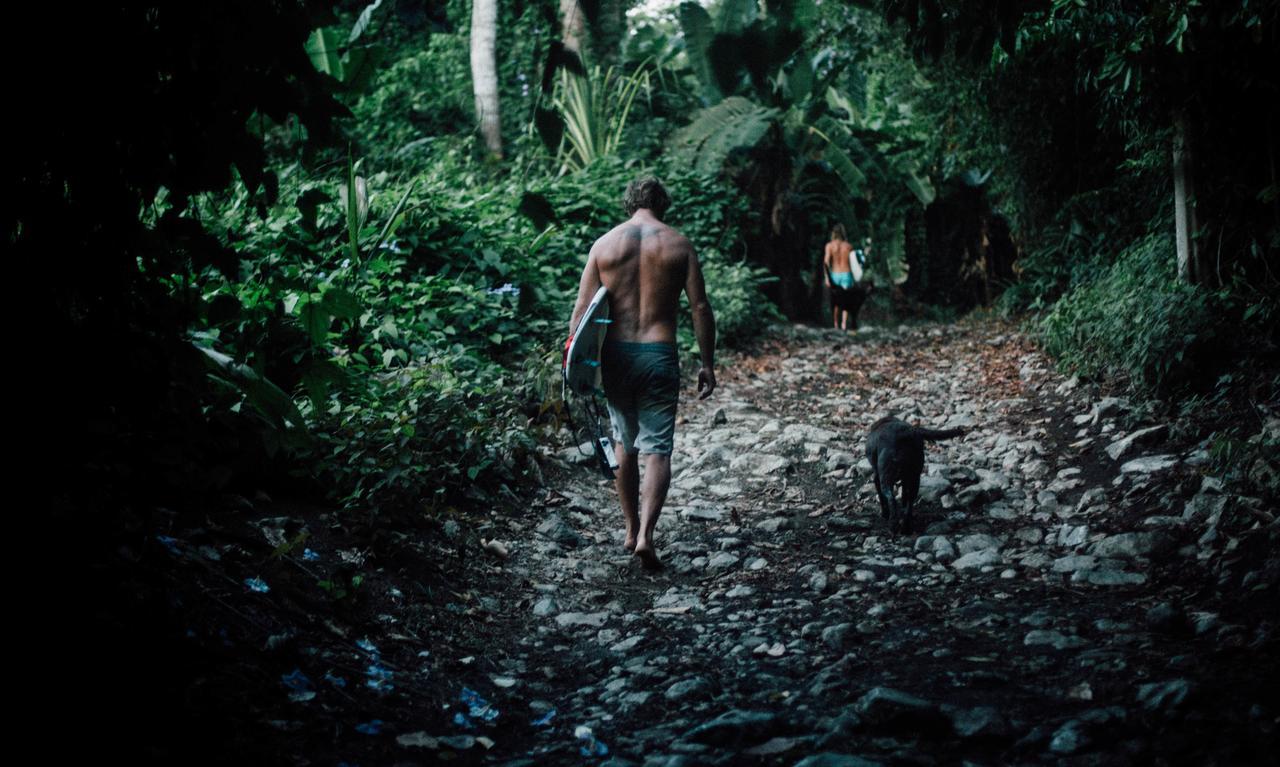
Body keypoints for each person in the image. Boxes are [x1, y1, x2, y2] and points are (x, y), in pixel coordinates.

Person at [567, 177, 716, 569]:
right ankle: (648, 537)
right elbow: (700, 307)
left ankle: (630, 529)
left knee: (624, 443)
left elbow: (581, 312)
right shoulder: (679, 244)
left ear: (629, 202)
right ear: (662, 203)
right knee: (657, 449)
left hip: (615, 356)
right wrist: (707, 363)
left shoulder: (604, 245)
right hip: (659, 353)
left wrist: (576, 368)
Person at [823, 223, 863, 330]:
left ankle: (836, 324)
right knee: (846, 299)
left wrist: (827, 277)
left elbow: (826, 262)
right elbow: (853, 263)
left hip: (835, 275)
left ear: (833, 233)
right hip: (846, 274)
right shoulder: (848, 246)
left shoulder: (829, 246)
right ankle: (844, 324)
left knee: (836, 300)